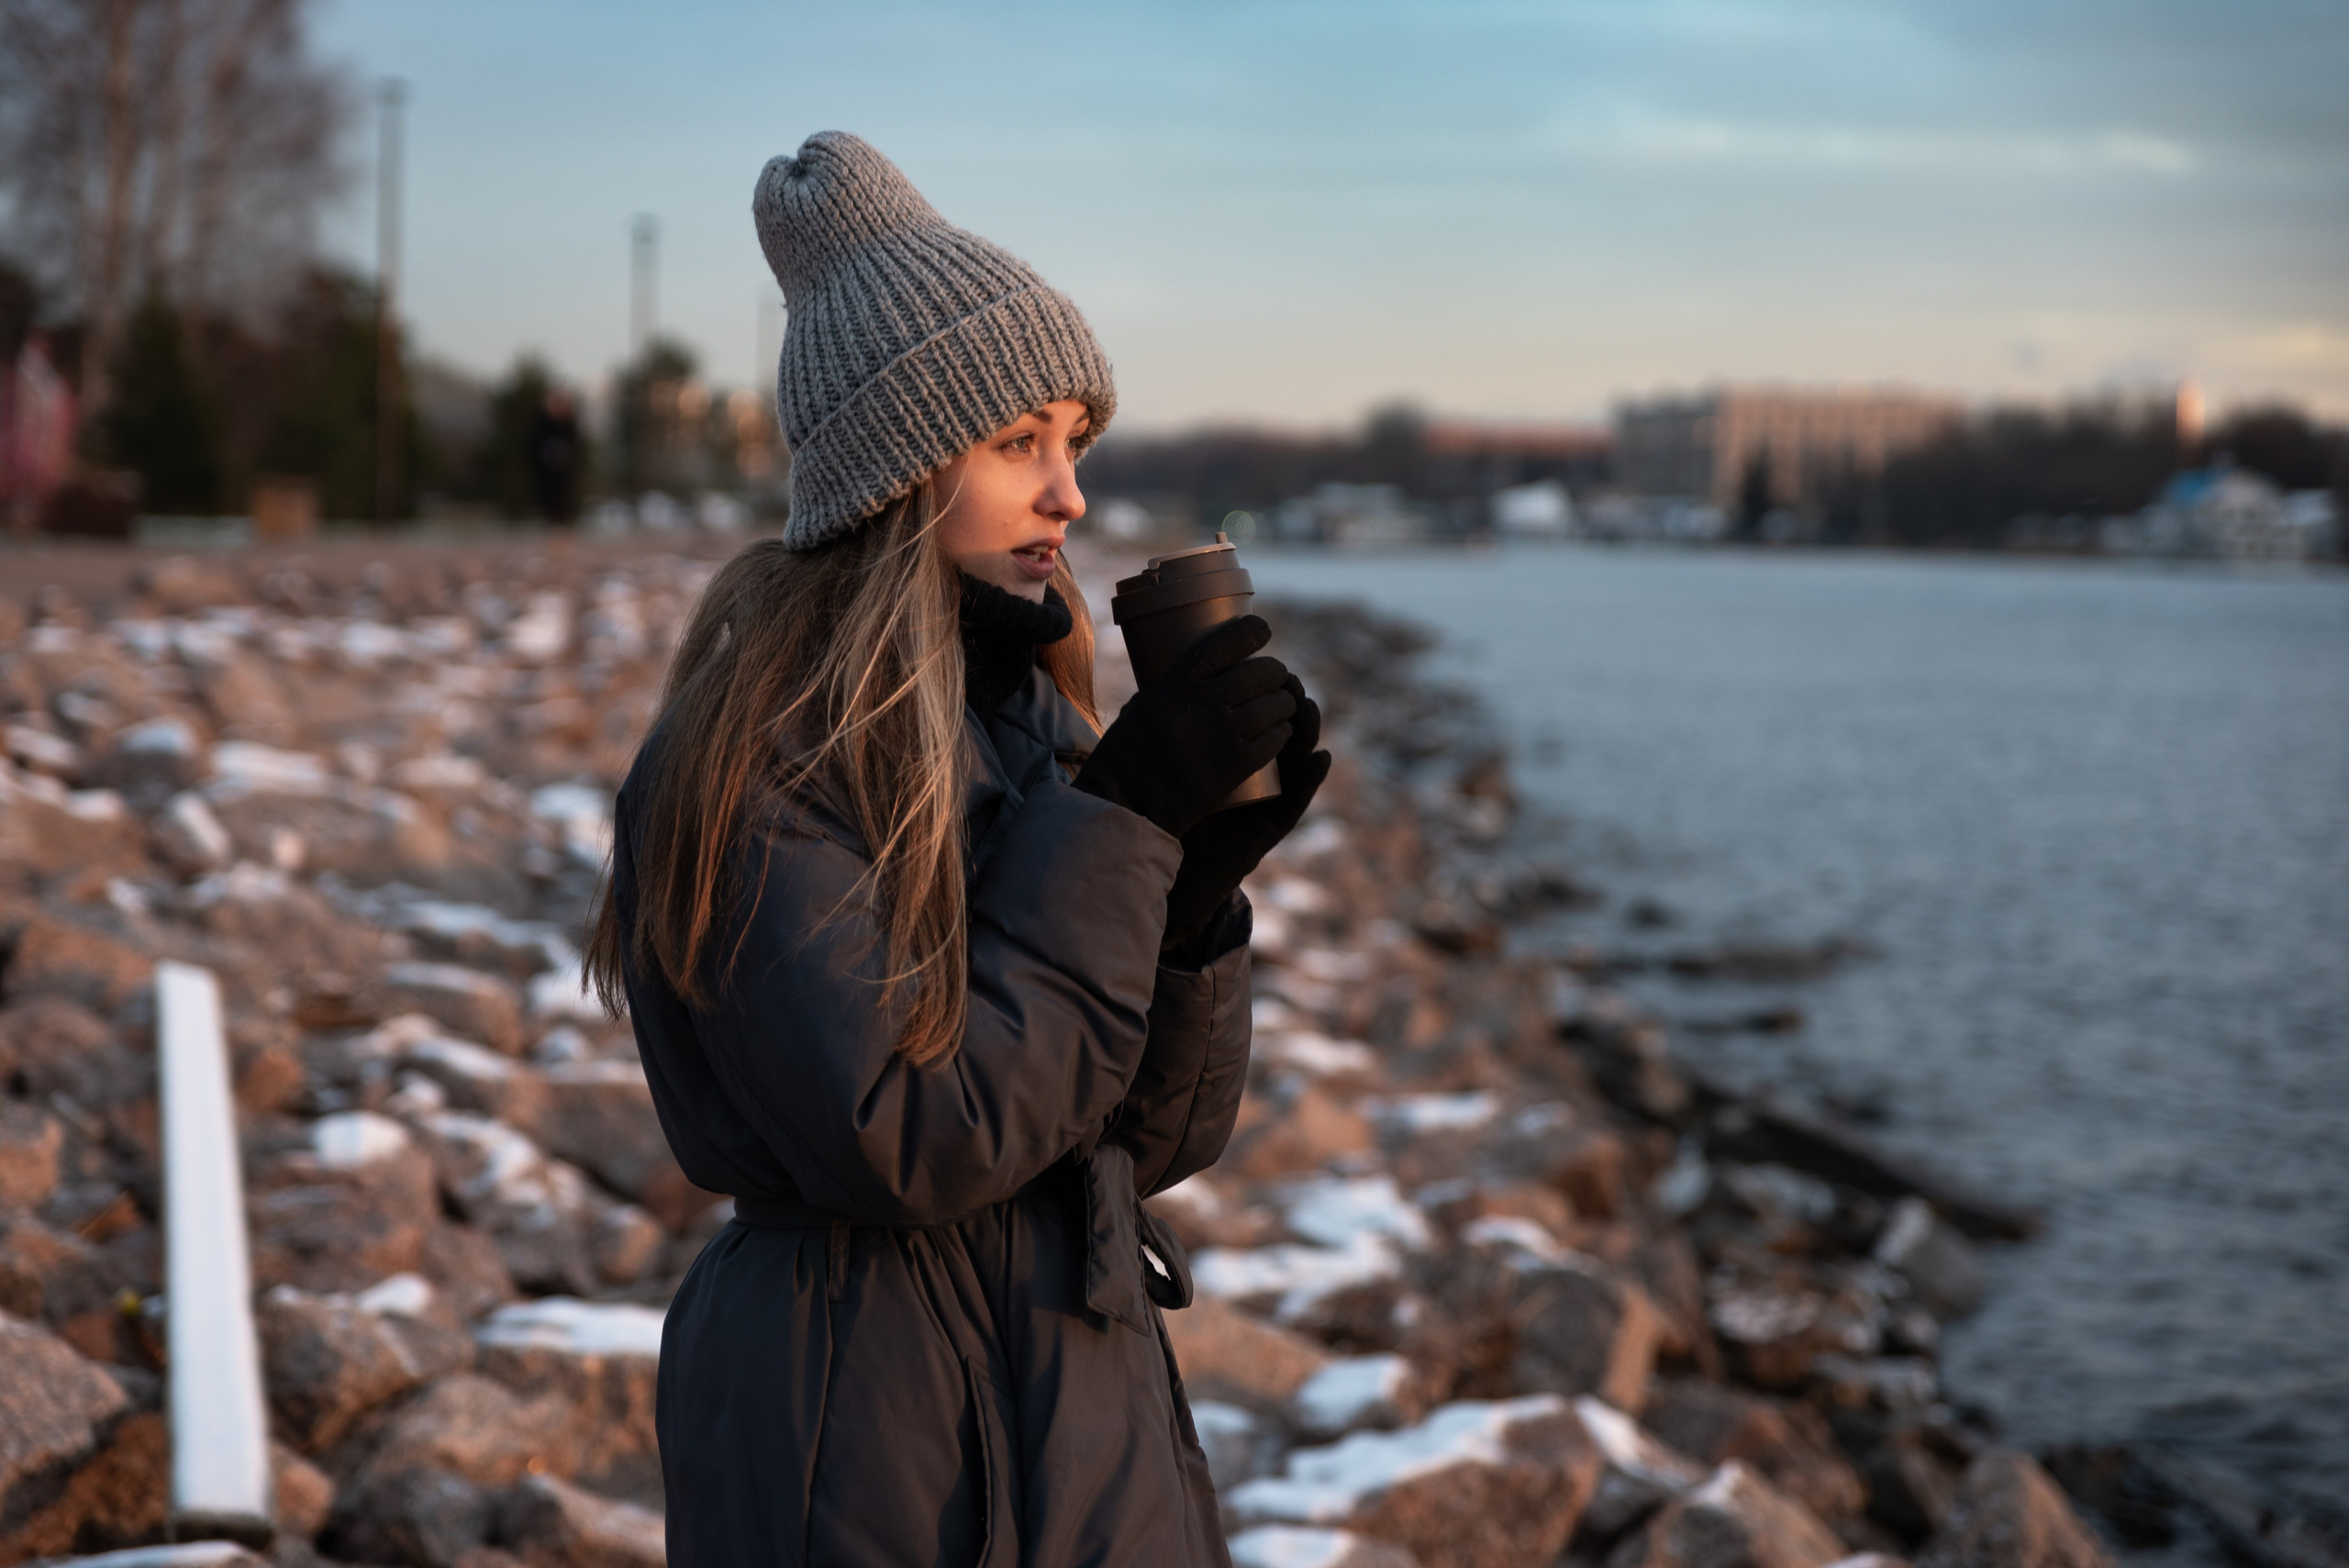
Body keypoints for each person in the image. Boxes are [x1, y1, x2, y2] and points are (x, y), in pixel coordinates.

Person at [583, 131, 1330, 1567]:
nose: (1073, 498)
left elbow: (1147, 1138)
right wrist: (1121, 828)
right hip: (873, 1429)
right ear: (895, 467)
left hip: (1079, 1400)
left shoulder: (1029, 716)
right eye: (1019, 445)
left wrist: (1189, 899)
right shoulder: (755, 762)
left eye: (1075, 444)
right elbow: (918, 1133)